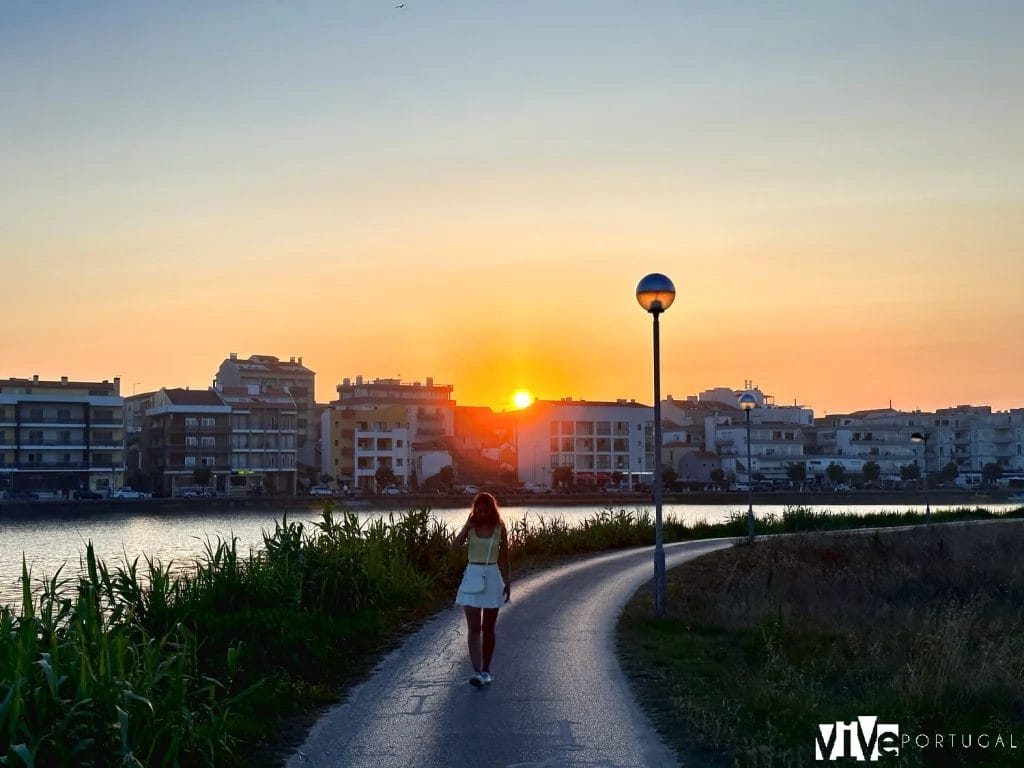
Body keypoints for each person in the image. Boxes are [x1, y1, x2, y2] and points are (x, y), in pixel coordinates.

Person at [452, 491, 511, 688]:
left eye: (486, 509)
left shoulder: (499, 528)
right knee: (474, 628)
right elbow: (453, 548)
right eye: (479, 509)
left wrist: (507, 581)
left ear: (491, 509)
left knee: (488, 628)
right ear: (475, 509)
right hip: (472, 576)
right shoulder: (470, 527)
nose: (482, 512)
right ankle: (477, 673)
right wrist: (465, 528)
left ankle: (486, 670)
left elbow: (504, 556)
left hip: (492, 577)